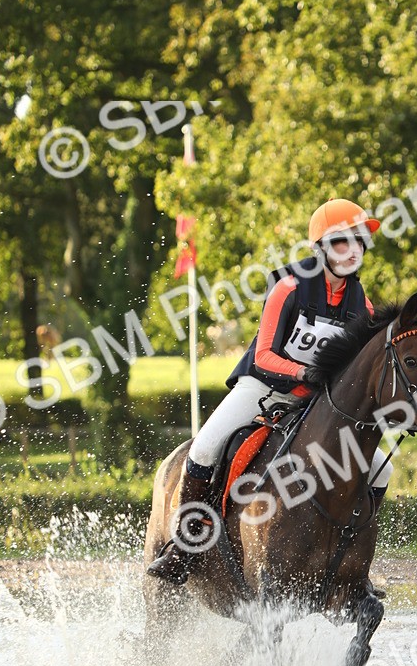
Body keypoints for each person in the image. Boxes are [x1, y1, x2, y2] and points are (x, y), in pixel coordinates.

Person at [148, 198, 393, 585]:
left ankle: (351, 558)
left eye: (360, 242)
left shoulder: (360, 303)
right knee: (205, 447)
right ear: (322, 247)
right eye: (344, 242)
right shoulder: (289, 287)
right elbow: (263, 355)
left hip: (313, 402)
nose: (355, 251)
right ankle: (185, 546)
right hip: (263, 387)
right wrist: (303, 372)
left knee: (383, 467)